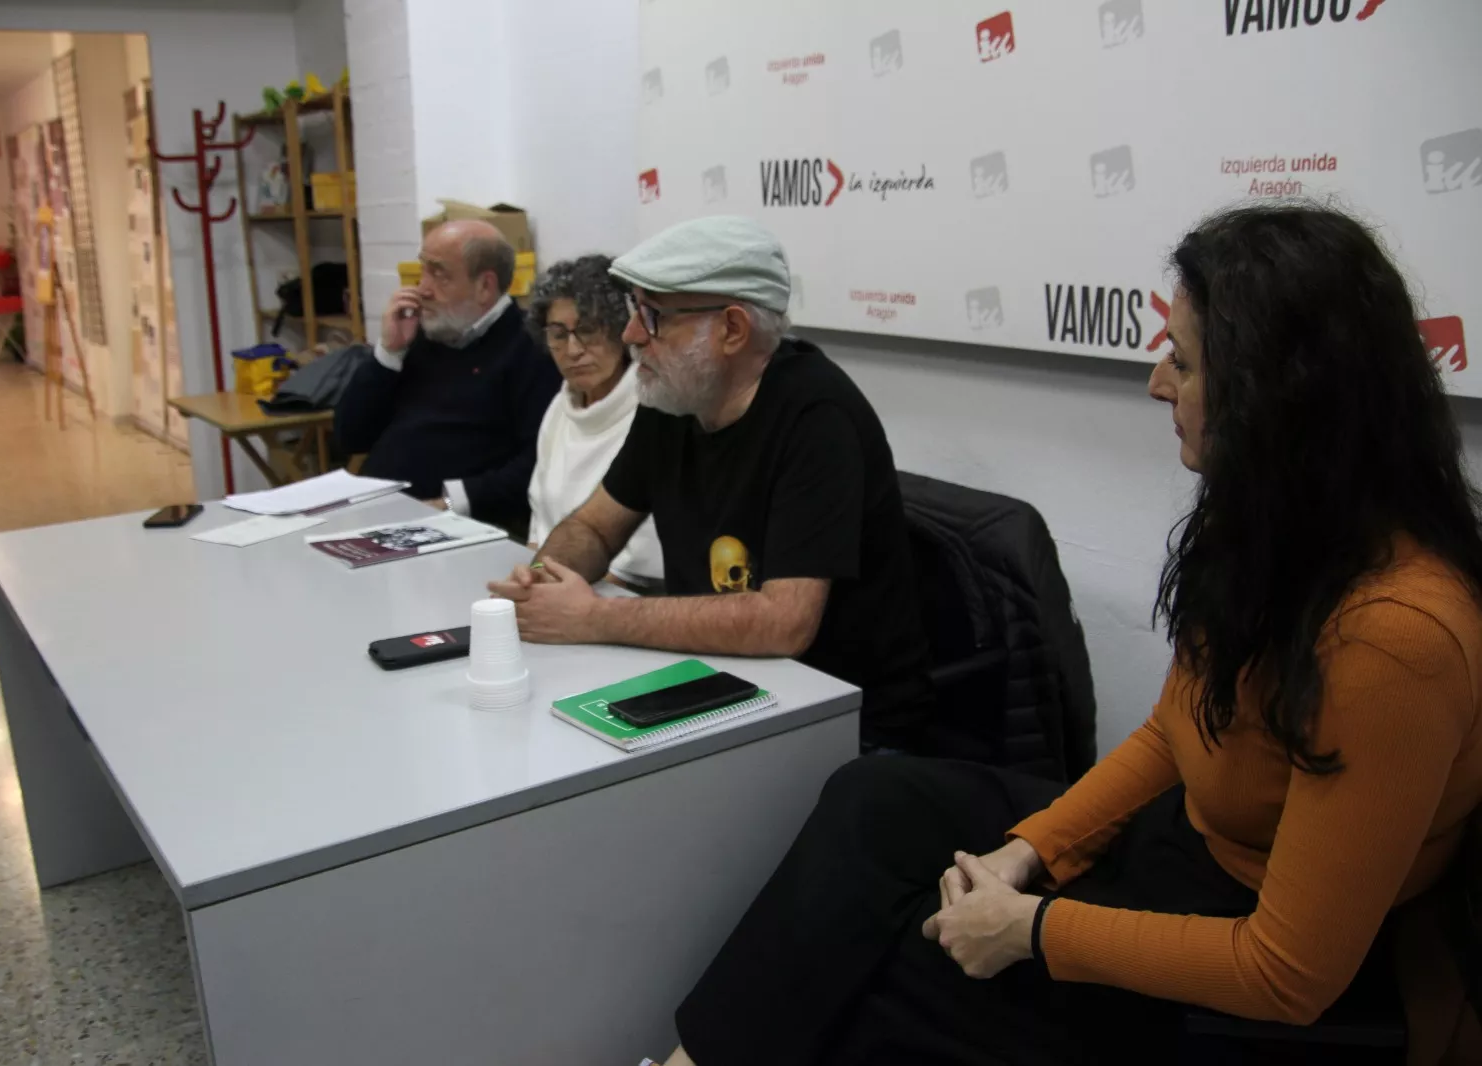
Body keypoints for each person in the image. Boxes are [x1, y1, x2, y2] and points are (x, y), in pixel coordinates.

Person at [645, 204, 1482, 1065]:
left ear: (1281, 395)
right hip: (1188, 851)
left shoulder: (1397, 641)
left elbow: (1288, 971)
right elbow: (1171, 733)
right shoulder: (1277, 528)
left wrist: (1036, 930)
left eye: (1184, 363)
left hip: (1263, 974)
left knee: (889, 965)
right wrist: (1027, 852)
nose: (1158, 384)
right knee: (874, 802)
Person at [489, 216, 934, 753]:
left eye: (652, 315)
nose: (632, 335)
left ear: (732, 330)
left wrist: (594, 616)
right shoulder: (675, 396)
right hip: (718, 682)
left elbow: (783, 622)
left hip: (839, 721)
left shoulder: (818, 416)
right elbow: (595, 525)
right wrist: (546, 580)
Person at [333, 219, 560, 527]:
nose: (421, 288)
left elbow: (538, 464)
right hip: (379, 511)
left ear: (485, 287)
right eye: (422, 270)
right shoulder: (422, 334)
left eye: (438, 275)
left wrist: (451, 502)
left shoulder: (531, 348)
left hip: (458, 523)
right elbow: (350, 437)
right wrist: (388, 353)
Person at [525, 254, 663, 587]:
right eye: (558, 334)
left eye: (588, 330)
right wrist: (531, 582)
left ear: (621, 331)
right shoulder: (561, 407)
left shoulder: (654, 411)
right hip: (559, 586)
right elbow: (538, 529)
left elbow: (639, 568)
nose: (573, 350)